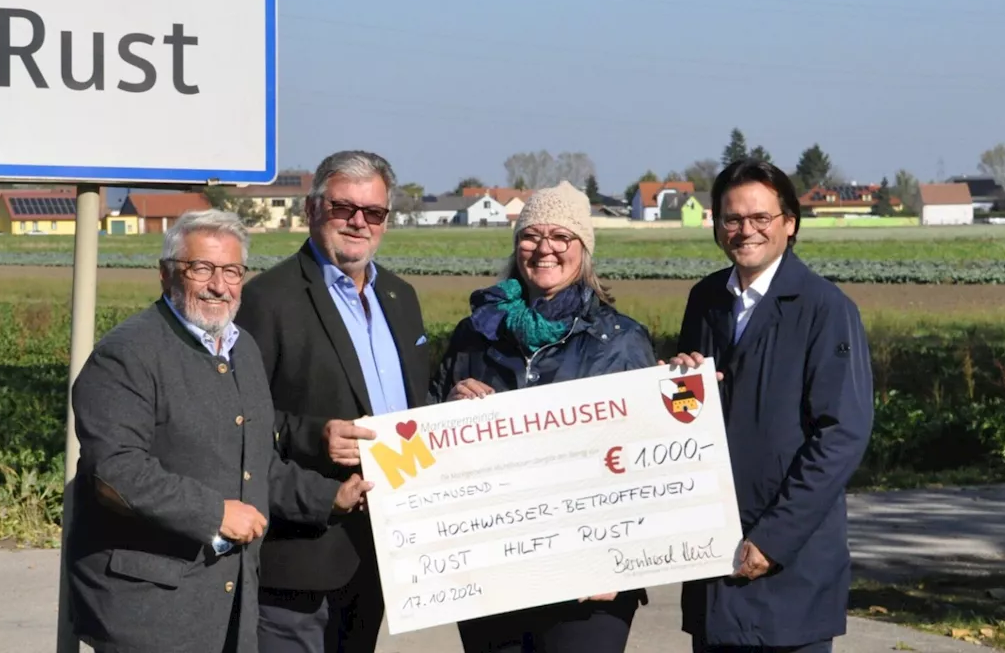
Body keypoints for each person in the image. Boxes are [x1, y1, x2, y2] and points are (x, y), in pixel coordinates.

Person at [64, 210, 374, 653]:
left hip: (227, 601)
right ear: (166, 274)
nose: (218, 285)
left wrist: (330, 498)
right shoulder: (127, 355)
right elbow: (114, 474)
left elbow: (254, 465)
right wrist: (215, 513)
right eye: (202, 268)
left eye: (231, 271)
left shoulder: (241, 349)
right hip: (147, 609)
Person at [427, 180, 655, 653]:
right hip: (493, 571)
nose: (544, 248)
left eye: (561, 237)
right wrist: (446, 411)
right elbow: (424, 434)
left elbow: (652, 458)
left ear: (583, 249)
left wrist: (625, 559)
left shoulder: (620, 341)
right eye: (531, 235)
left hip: (590, 579)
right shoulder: (475, 335)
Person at [666, 159, 874, 652]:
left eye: (761, 218)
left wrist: (774, 540)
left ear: (790, 223)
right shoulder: (706, 300)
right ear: (717, 225)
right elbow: (689, 413)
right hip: (713, 552)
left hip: (788, 565)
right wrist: (677, 384)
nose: (746, 231)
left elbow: (841, 434)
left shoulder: (825, 309)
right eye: (733, 219)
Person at [234, 150, 431, 653]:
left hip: (383, 550)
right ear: (312, 210)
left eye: (374, 213)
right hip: (302, 554)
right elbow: (235, 417)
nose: (359, 223)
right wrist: (314, 435)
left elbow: (414, 405)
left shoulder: (401, 298)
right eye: (344, 208)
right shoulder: (267, 299)